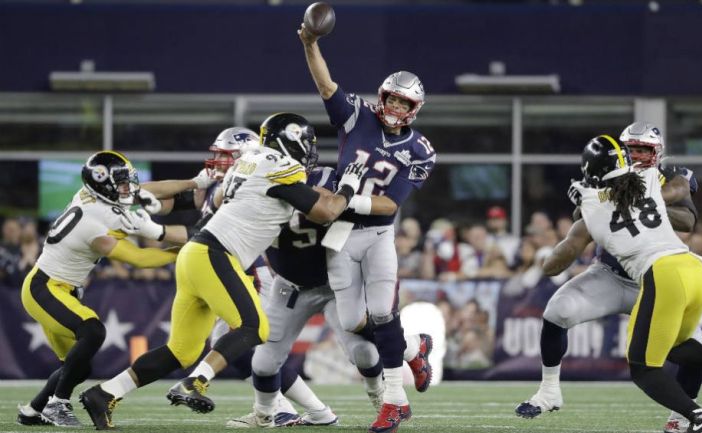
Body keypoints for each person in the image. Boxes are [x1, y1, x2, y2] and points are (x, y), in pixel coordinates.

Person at [79, 113, 367, 430]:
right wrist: (349, 188)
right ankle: (196, 382)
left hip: (196, 256)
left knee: (181, 351)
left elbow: (215, 199)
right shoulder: (279, 165)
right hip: (215, 255)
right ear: (291, 140)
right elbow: (326, 211)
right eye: (308, 141)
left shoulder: (247, 166)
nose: (310, 148)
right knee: (254, 328)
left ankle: (104, 393)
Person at [539, 135, 702, 433]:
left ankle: (701, 418)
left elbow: (555, 261)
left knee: (642, 367)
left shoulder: (593, 207)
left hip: (661, 274)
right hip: (692, 268)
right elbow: (673, 187)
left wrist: (585, 197)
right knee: (673, 345)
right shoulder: (652, 179)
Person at [515, 122, 702, 433]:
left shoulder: (668, 174)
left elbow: (687, 220)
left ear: (656, 153)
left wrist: (632, 202)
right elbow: (581, 223)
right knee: (556, 311)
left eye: (644, 149)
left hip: (655, 278)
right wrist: (595, 202)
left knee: (695, 346)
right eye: (632, 149)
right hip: (610, 273)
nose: (637, 155)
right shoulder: (602, 176)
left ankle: (683, 416)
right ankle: (548, 391)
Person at [299, 22, 436, 433]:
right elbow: (326, 86)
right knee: (354, 321)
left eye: (403, 102)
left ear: (415, 108)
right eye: (391, 99)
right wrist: (310, 43)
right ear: (382, 97)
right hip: (339, 236)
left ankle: (394, 402)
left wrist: (345, 198)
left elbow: (391, 202)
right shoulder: (357, 117)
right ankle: (415, 347)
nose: (394, 108)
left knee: (381, 311)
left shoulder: (420, 150)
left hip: (377, 234)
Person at [226, 166, 433, 428]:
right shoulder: (257, 187)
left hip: (333, 281)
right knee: (264, 362)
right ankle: (266, 414)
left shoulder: (328, 180)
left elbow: (363, 219)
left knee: (364, 354)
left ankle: (380, 394)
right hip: (290, 285)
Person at [16, 151, 180, 427]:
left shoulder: (89, 196)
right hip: (44, 287)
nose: (127, 188)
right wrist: (181, 250)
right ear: (103, 183)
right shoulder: (94, 224)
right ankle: (58, 404)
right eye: (121, 182)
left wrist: (195, 182)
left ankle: (33, 411)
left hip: (56, 288)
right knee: (93, 330)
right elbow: (140, 259)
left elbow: (149, 189)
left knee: (79, 367)